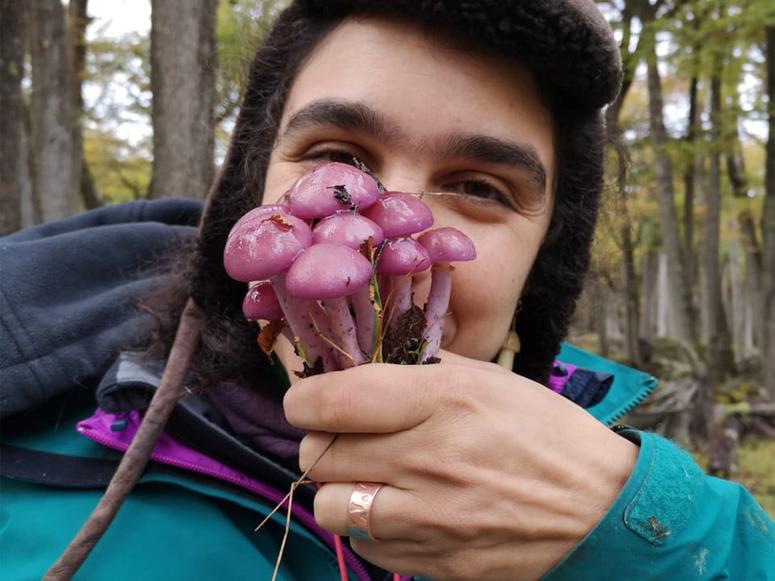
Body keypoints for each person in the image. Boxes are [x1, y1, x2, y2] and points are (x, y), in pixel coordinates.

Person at [1, 1, 772, 580]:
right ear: (248, 193)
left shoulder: (608, 468)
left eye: (479, 185)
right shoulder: (34, 478)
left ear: (543, 262)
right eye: (335, 156)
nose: (382, 236)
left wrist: (643, 535)